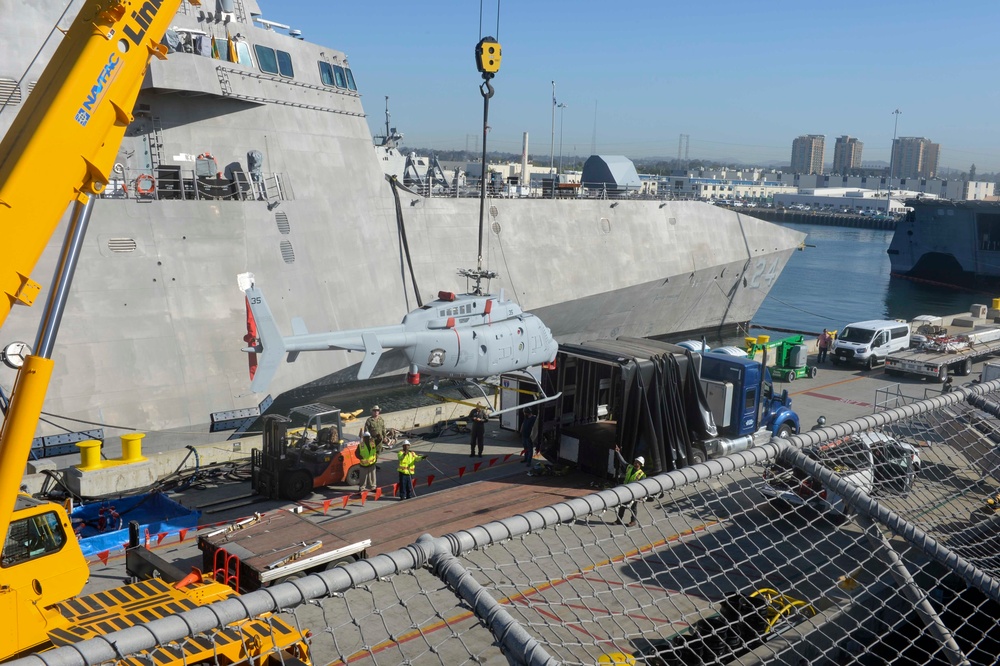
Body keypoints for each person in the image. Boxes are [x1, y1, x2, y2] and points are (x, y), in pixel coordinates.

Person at [614, 446, 646, 527]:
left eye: (637, 463)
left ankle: (633, 521)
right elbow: (622, 461)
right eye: (635, 462)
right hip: (626, 490)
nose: (635, 463)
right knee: (622, 506)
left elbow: (643, 486)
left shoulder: (641, 475)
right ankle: (619, 520)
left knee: (633, 508)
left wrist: (641, 496)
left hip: (635, 493)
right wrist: (618, 452)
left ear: (641, 464)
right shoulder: (629, 467)